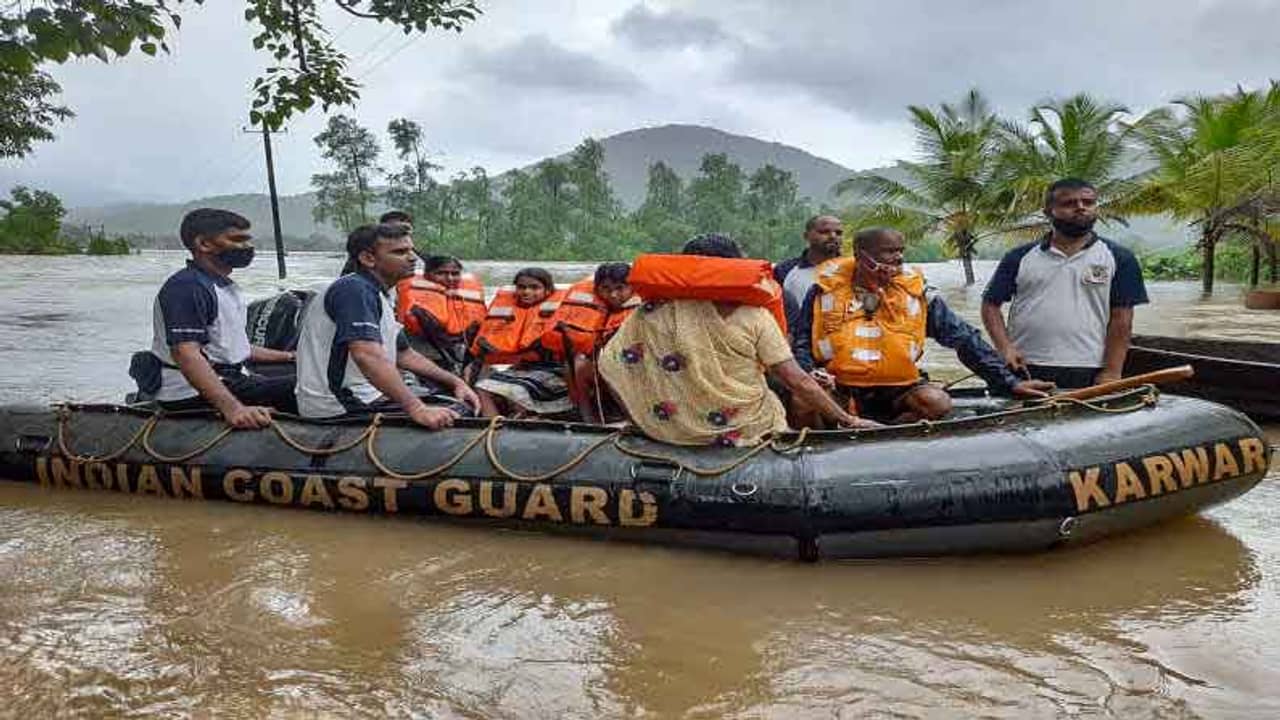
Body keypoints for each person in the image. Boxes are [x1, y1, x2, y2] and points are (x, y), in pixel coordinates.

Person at [599, 234, 865, 447]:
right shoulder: (754, 316)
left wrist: (641, 419)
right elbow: (796, 380)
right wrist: (848, 420)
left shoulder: (650, 312)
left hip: (670, 432)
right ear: (734, 266)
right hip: (749, 430)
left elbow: (611, 365)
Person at [793, 227, 1054, 425]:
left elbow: (963, 337)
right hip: (840, 386)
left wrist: (1008, 382)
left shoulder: (917, 294)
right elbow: (803, 342)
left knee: (936, 402)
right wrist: (811, 374)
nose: (898, 257)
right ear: (862, 255)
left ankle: (888, 435)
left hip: (898, 389)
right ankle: (819, 446)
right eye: (889, 251)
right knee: (802, 401)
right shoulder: (823, 292)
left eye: (900, 251)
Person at [294, 223, 479, 427]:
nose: (413, 258)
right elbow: (366, 355)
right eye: (400, 252)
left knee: (460, 404)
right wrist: (417, 408)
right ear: (368, 258)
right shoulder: (354, 290)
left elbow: (404, 354)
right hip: (338, 405)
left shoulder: (381, 294)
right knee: (457, 414)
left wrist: (455, 381)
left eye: (411, 250)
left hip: (365, 396)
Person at [981, 178, 1149, 389]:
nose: (1080, 207)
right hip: (1024, 365)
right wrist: (1005, 348)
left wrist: (1112, 371)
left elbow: (1122, 320)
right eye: (1069, 203)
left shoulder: (1119, 258)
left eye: (1088, 202)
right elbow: (990, 305)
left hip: (1088, 367)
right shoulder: (1019, 257)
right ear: (1048, 211)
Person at [139, 208, 296, 428]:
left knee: (307, 375)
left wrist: (290, 356)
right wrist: (234, 409)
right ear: (204, 244)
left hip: (232, 376)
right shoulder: (187, 287)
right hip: (188, 392)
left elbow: (233, 347)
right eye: (237, 240)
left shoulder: (222, 286)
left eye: (247, 240)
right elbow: (186, 354)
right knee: (311, 386)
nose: (247, 247)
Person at [542, 262, 639, 423]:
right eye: (606, 289)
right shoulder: (592, 307)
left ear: (632, 287)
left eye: (620, 288)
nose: (613, 295)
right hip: (598, 366)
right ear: (596, 288)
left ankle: (633, 418)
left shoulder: (643, 308)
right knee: (577, 363)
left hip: (634, 366)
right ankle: (586, 415)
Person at [472, 267, 569, 417]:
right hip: (522, 368)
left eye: (534, 287)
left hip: (555, 369)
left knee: (517, 391)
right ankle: (493, 424)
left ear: (548, 290)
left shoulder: (563, 312)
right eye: (521, 287)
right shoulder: (508, 311)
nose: (526, 292)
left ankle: (523, 421)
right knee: (481, 387)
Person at [395, 254, 487, 376]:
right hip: (421, 353)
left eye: (455, 274)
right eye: (441, 273)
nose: (449, 278)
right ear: (427, 275)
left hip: (459, 354)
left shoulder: (468, 295)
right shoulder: (407, 294)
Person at [773, 215, 844, 331]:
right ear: (806, 236)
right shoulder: (784, 270)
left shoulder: (853, 269)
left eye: (838, 233)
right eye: (824, 232)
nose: (833, 236)